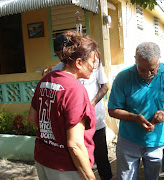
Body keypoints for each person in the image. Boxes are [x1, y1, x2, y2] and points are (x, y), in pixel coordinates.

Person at [108, 42, 164, 180]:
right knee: (125, 177)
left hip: (158, 140)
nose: (147, 74)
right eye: (142, 69)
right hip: (129, 139)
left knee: (155, 177)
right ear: (135, 60)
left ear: (159, 60)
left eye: (152, 69)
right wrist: (135, 118)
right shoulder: (123, 77)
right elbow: (113, 110)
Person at [28, 31, 100, 180]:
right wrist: (90, 177)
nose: (94, 67)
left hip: (43, 159)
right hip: (66, 168)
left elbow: (33, 119)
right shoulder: (75, 89)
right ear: (79, 62)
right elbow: (75, 145)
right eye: (93, 62)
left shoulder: (46, 79)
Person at [52, 32, 113, 180]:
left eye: (63, 52)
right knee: (80, 158)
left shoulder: (91, 62)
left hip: (95, 121)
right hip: (74, 125)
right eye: (58, 54)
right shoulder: (56, 71)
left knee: (102, 158)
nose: (62, 57)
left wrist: (89, 105)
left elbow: (105, 86)